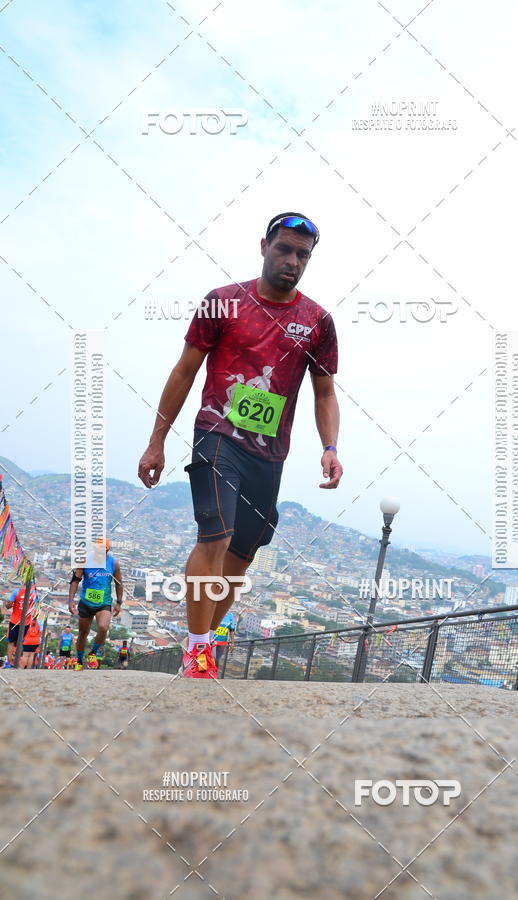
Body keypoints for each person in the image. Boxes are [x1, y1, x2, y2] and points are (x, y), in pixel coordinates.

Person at [138, 213, 343, 678]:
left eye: (302, 255)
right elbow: (184, 372)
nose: (292, 261)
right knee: (215, 532)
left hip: (269, 453)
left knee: (242, 553)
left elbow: (325, 392)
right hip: (216, 434)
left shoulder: (317, 322)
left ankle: (206, 637)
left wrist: (330, 446)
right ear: (264, 246)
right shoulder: (223, 303)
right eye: (284, 249)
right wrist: (157, 443)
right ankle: (195, 650)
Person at [68, 538, 123, 670]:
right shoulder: (85, 560)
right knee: (83, 633)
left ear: (107, 550)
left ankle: (93, 652)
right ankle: (79, 660)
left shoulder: (113, 564)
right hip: (86, 602)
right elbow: (75, 580)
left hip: (104, 602)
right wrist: (71, 600)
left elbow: (119, 583)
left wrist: (119, 603)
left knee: (103, 627)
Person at [3, 584, 35, 666]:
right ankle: (17, 662)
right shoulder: (34, 593)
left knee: (11, 642)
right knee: (20, 642)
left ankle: (9, 663)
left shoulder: (16, 592)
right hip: (26, 622)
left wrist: (9, 604)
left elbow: (8, 606)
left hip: (14, 621)